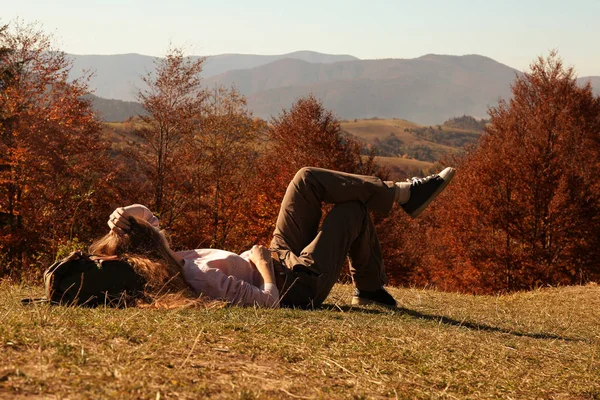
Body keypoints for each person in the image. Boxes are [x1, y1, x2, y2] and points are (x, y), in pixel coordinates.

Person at [95, 166, 455, 309]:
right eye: (153, 228)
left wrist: (124, 213)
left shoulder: (180, 257)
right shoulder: (196, 275)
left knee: (305, 179)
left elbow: (147, 215)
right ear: (153, 243)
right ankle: (371, 289)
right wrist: (264, 266)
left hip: (281, 258)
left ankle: (401, 195)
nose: (158, 223)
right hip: (293, 284)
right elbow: (268, 302)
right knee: (351, 212)